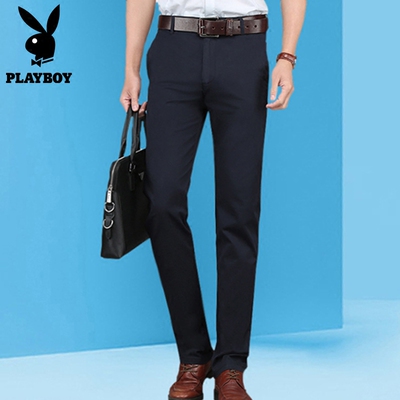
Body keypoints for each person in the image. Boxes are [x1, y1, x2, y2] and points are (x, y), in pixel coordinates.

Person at [120, 0, 306, 399]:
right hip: (174, 49)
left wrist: (287, 56)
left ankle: (231, 365)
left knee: (239, 211)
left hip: (244, 49)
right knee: (162, 202)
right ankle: (194, 355)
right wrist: (131, 68)